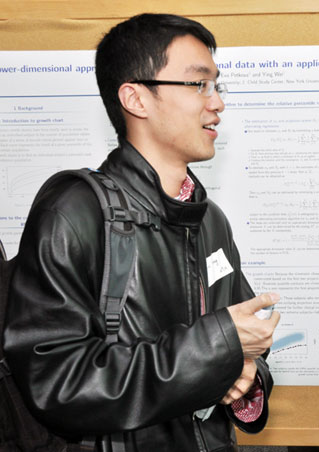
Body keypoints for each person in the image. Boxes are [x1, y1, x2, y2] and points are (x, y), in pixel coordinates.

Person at [3, 13, 280, 452]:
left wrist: (247, 376)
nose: (217, 103)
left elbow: (242, 343)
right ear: (136, 98)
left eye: (217, 85)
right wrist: (218, 349)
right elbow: (57, 383)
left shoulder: (210, 220)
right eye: (198, 84)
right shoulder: (74, 211)